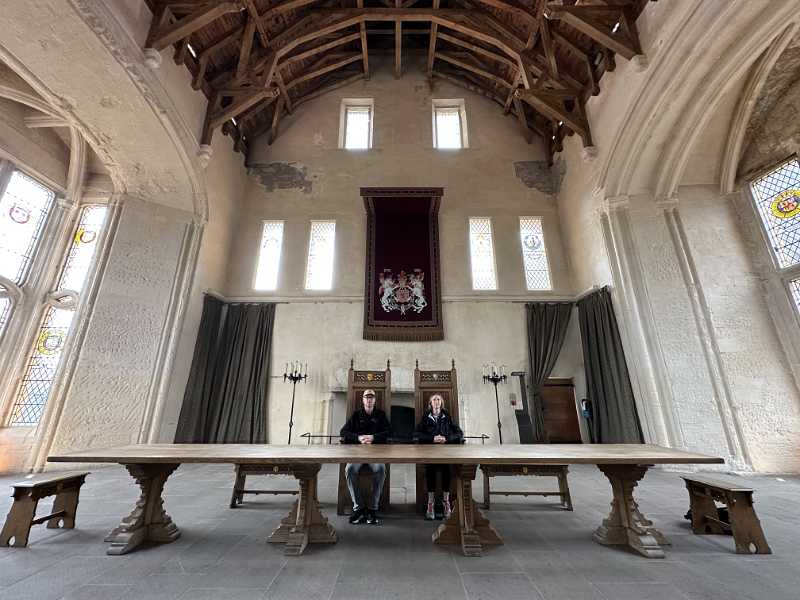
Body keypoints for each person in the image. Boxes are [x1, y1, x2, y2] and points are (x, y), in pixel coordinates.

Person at [340, 389, 391, 525]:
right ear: (362, 400)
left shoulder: (380, 415)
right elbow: (343, 432)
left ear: (375, 400)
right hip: (358, 453)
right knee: (349, 469)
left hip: (375, 453)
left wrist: (373, 437)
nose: (369, 400)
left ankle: (373, 508)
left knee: (381, 469)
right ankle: (359, 508)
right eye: (366, 397)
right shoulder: (356, 415)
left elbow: (389, 432)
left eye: (371, 397)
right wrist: (358, 438)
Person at [414, 393, 463, 520]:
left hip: (445, 452)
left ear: (441, 403)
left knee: (447, 470)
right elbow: (417, 435)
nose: (436, 401)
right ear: (430, 403)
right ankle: (430, 503)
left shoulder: (447, 417)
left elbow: (459, 433)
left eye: (438, 399)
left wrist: (446, 438)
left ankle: (446, 502)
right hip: (430, 452)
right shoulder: (426, 417)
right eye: (434, 399)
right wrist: (432, 438)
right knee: (430, 470)